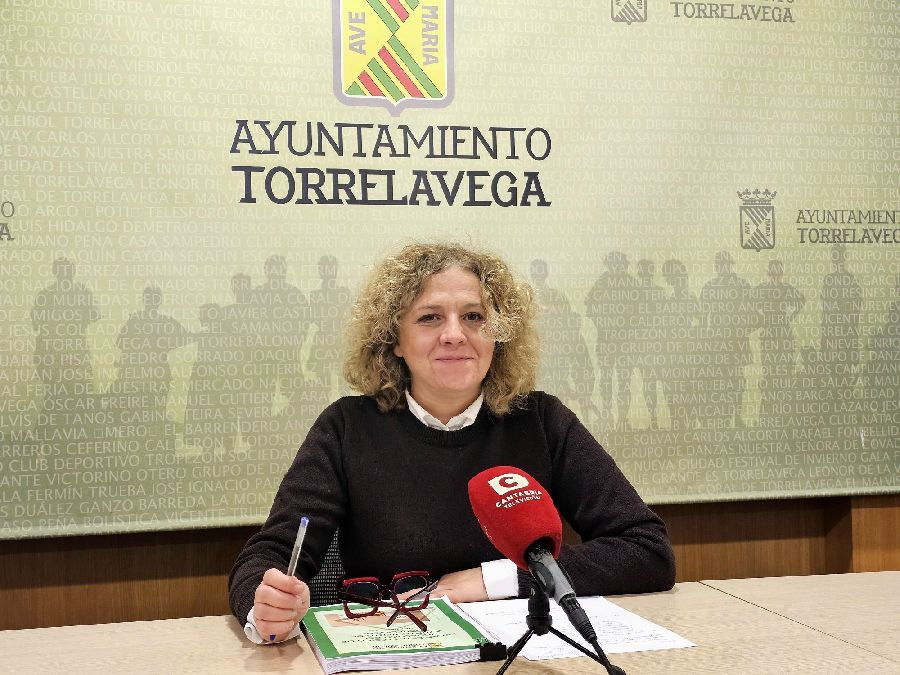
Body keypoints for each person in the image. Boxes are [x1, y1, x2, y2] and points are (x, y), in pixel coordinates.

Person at [228, 243, 676, 644]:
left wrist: (493, 580)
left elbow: (646, 549)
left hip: (524, 651)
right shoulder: (347, 427)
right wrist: (265, 603)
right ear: (394, 339)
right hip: (396, 653)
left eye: (474, 317)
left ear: (498, 333)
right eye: (430, 318)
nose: (455, 334)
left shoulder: (541, 420)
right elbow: (270, 555)